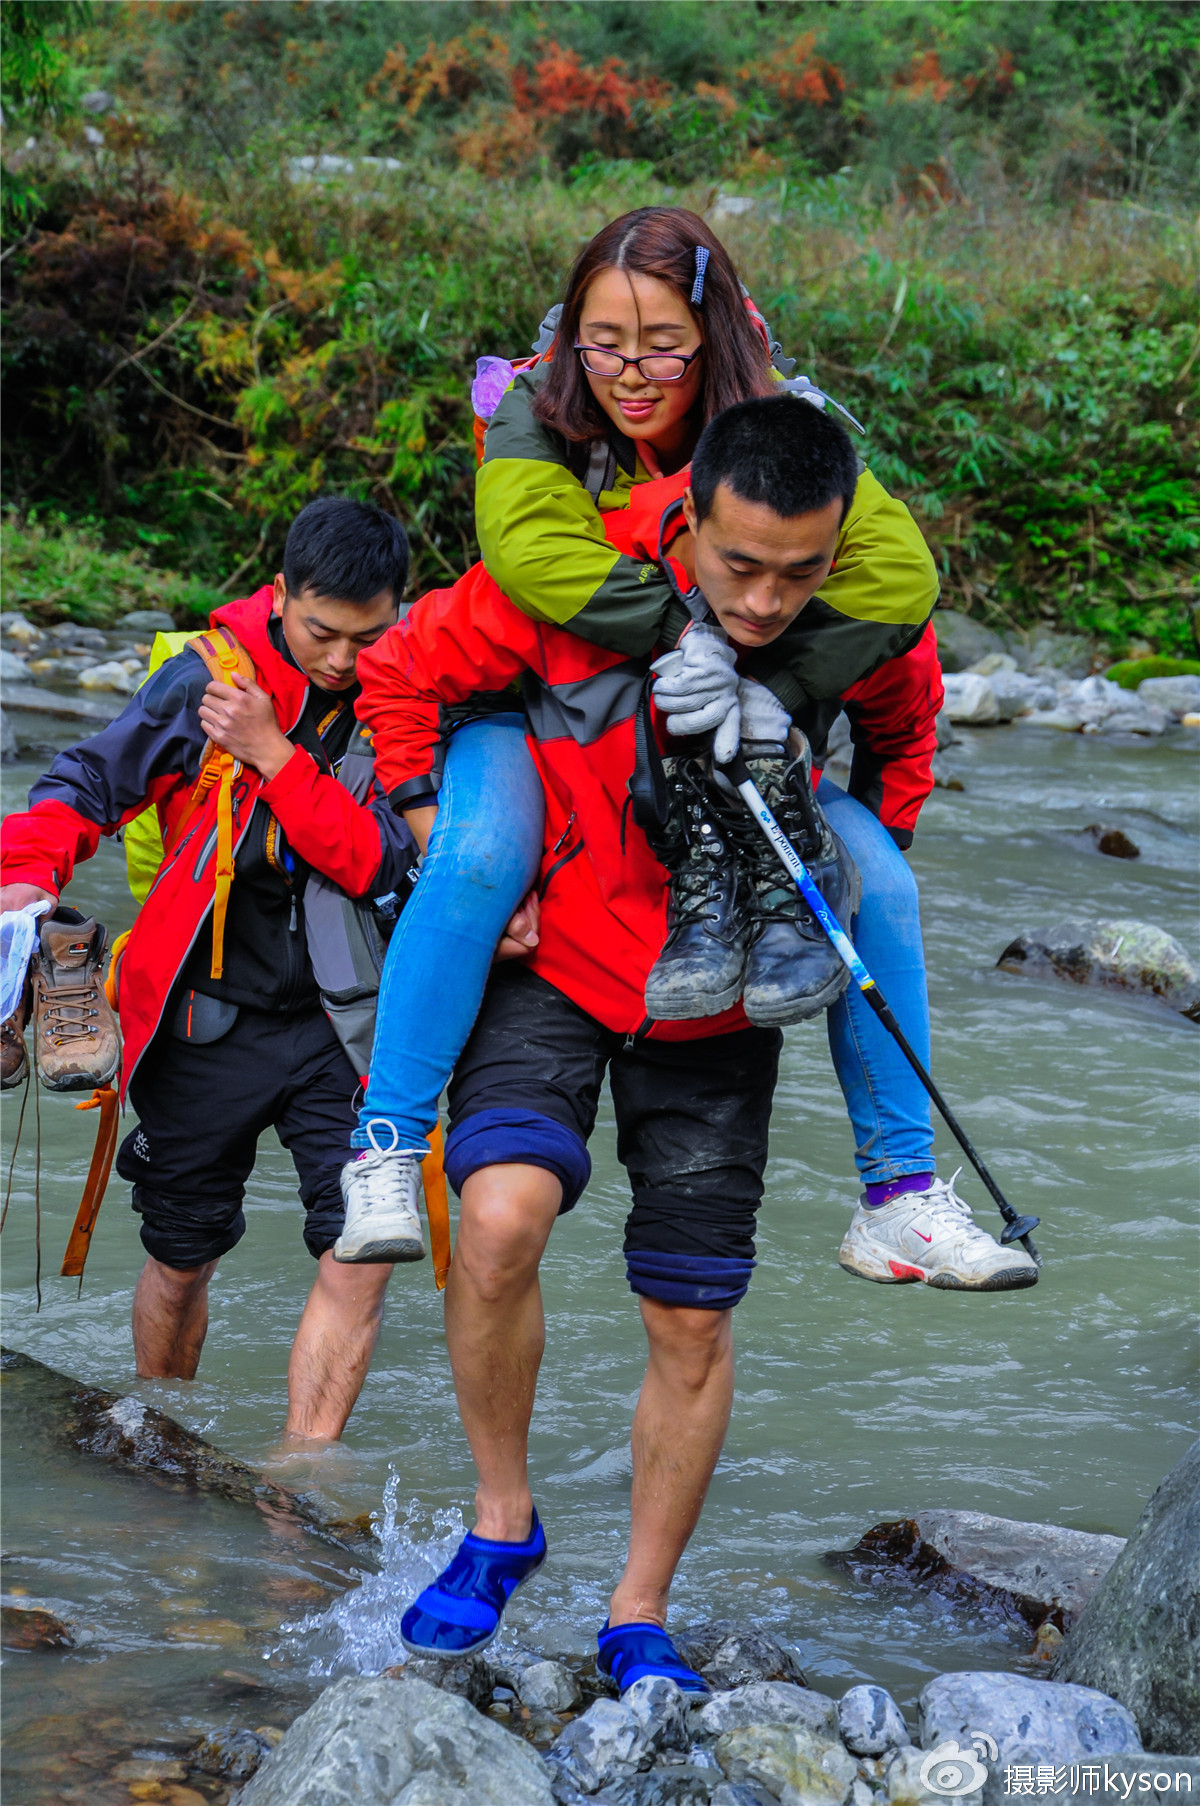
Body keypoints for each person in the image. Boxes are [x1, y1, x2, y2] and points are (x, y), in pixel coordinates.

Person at [352, 396, 1038, 1696]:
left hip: (720, 998)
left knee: (691, 1319)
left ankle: (638, 1607)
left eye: (803, 570)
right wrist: (437, 814)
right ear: (687, 527)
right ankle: (504, 1519)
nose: (770, 599)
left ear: (839, 549)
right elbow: (401, 670)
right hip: (554, 954)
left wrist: (846, 862)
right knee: (494, 1224)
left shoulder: (855, 631)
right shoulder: (579, 581)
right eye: (741, 567)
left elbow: (905, 745)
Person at [342, 204, 1026, 1291]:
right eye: (607, 342)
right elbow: (451, 620)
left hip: (735, 777)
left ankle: (899, 1193)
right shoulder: (555, 482)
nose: (633, 371)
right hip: (551, 734)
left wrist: (806, 796)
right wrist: (680, 633)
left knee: (880, 888)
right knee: (474, 861)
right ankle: (382, 1147)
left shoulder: (802, 500)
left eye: (665, 344)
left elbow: (901, 693)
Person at [0, 497, 419, 1440]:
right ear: (279, 597)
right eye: (323, 632)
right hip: (204, 1017)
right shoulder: (204, 679)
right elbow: (83, 784)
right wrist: (25, 878)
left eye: (371, 635)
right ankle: (163, 1432)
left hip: (345, 1023)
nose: (345, 661)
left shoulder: (406, 699)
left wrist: (272, 754)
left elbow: (379, 859)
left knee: (359, 1247)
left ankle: (303, 1475)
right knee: (181, 1256)